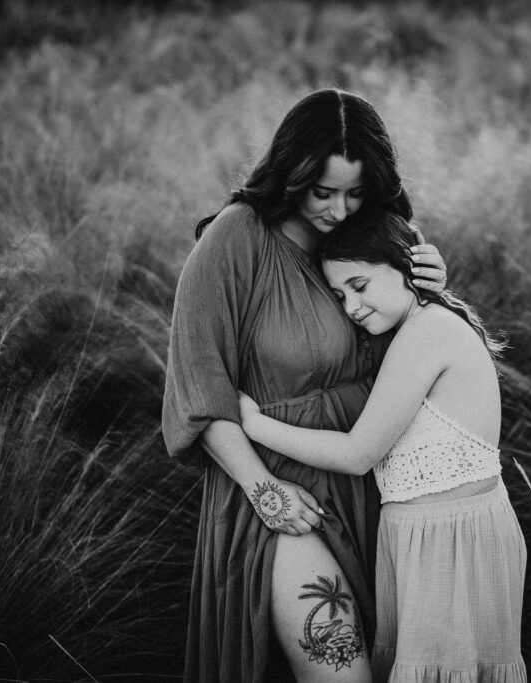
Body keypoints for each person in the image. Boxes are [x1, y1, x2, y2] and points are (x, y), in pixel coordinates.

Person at [162, 88, 448, 682]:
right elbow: (200, 389)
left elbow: (414, 360)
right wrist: (266, 493)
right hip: (282, 501)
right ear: (291, 176)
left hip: (371, 492)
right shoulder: (237, 239)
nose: (339, 210)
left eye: (355, 191)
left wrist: (427, 293)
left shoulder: (375, 238)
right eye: (323, 192)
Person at [237, 213, 528, 682]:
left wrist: (254, 423)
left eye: (359, 285)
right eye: (339, 295)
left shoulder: (428, 331)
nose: (351, 306)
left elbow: (358, 453)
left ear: (405, 268)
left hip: (449, 542)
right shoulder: (417, 327)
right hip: (429, 537)